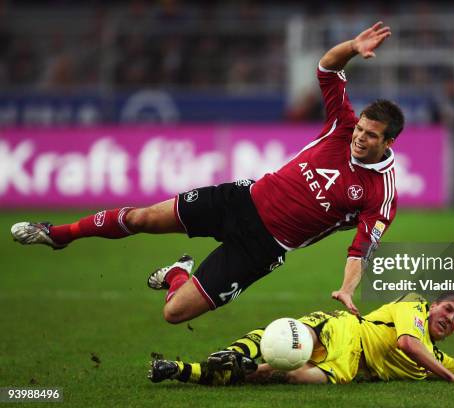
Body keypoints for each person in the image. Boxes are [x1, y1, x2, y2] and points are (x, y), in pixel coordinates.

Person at [10, 22, 404, 323]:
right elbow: (326, 68)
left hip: (263, 249)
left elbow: (361, 249)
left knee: (174, 314)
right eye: (360, 129)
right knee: (142, 217)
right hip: (241, 199)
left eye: (370, 136)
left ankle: (176, 275)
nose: (359, 137)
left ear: (388, 143)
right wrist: (352, 47)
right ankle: (57, 234)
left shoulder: (380, 193)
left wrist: (347, 289)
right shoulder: (342, 125)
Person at [147, 292, 454, 385]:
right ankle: (235, 353)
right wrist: (449, 380)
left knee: (283, 375)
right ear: (434, 306)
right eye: (449, 310)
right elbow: (407, 344)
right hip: (343, 328)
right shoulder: (411, 307)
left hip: (351, 367)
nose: (451, 320)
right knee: (280, 338)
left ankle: (180, 370)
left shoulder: (437, 355)